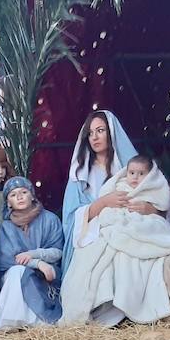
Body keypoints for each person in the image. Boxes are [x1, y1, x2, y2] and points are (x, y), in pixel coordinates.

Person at [60, 154, 170, 326]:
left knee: (129, 253)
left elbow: (164, 208)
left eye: (141, 174)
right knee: (93, 257)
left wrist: (150, 210)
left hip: (139, 223)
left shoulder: (152, 186)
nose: (135, 177)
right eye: (132, 173)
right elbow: (85, 211)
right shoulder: (98, 178)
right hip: (112, 224)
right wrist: (105, 204)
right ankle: (103, 305)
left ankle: (123, 305)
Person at [61, 111, 138, 272]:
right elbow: (70, 219)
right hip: (94, 237)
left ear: (111, 132)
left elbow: (147, 197)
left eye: (100, 131)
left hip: (128, 229)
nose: (94, 137)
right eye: (90, 133)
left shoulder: (130, 168)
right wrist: (103, 203)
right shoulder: (80, 175)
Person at [0, 177, 64, 330]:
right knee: (17, 272)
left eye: (24, 192)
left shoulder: (50, 219)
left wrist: (35, 254)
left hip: (47, 274)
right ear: (8, 202)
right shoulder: (6, 227)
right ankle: (14, 321)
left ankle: (40, 320)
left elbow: (58, 251)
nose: (19, 197)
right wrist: (37, 263)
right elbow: (7, 260)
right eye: (13, 195)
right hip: (17, 274)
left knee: (22, 271)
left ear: (32, 195)